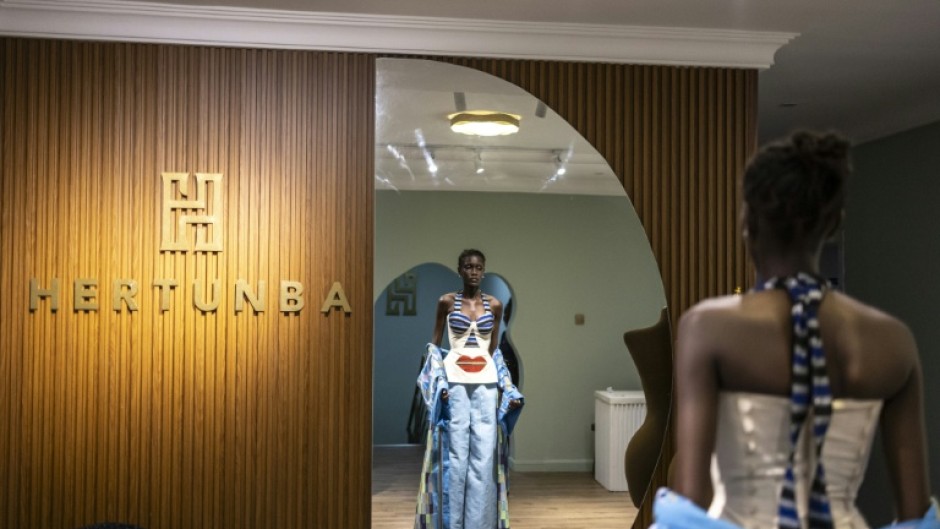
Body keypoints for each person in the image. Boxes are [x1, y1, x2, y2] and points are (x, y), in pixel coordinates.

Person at [654, 131, 937, 529]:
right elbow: (917, 517)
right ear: (834, 223)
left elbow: (687, 512)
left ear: (746, 220)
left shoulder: (708, 328)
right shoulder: (894, 340)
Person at [414, 249, 524, 529]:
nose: (473, 272)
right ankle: (453, 523)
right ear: (460, 270)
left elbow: (494, 350)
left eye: (478, 267)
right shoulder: (447, 302)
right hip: (455, 382)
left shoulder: (495, 305)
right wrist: (438, 385)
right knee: (456, 453)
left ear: (483, 270)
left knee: (484, 455)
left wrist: (505, 388)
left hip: (485, 383)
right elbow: (435, 347)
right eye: (468, 267)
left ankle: (480, 524)